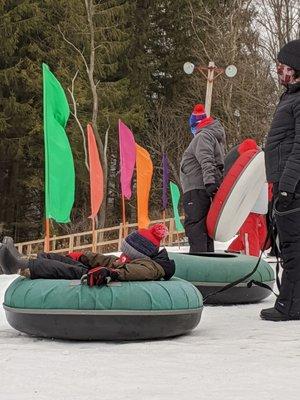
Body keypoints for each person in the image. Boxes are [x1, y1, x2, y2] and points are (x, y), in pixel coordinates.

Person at [0, 224, 175, 287]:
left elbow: (132, 272)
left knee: (69, 270)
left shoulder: (151, 266)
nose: (123, 254)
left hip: (98, 277)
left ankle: (20, 266)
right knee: (66, 260)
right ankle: (30, 258)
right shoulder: (131, 258)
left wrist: (110, 273)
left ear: (138, 252)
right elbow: (109, 260)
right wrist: (83, 256)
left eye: (126, 250)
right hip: (98, 271)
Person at [261, 39, 300, 321]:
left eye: (283, 66)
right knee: (288, 245)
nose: (278, 71)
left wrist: (286, 187)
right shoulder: (290, 96)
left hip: (293, 187)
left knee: (293, 247)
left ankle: (291, 305)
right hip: (284, 183)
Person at [180, 103, 226, 253]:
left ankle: (199, 260)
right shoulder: (212, 136)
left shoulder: (203, 136)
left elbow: (206, 160)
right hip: (202, 187)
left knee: (195, 226)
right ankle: (206, 258)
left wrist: (209, 182)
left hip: (197, 188)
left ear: (196, 125)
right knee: (202, 228)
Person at [225, 139, 268, 257]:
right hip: (246, 204)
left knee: (261, 233)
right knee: (249, 233)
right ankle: (251, 260)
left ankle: (232, 251)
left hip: (259, 204)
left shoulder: (260, 162)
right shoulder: (240, 164)